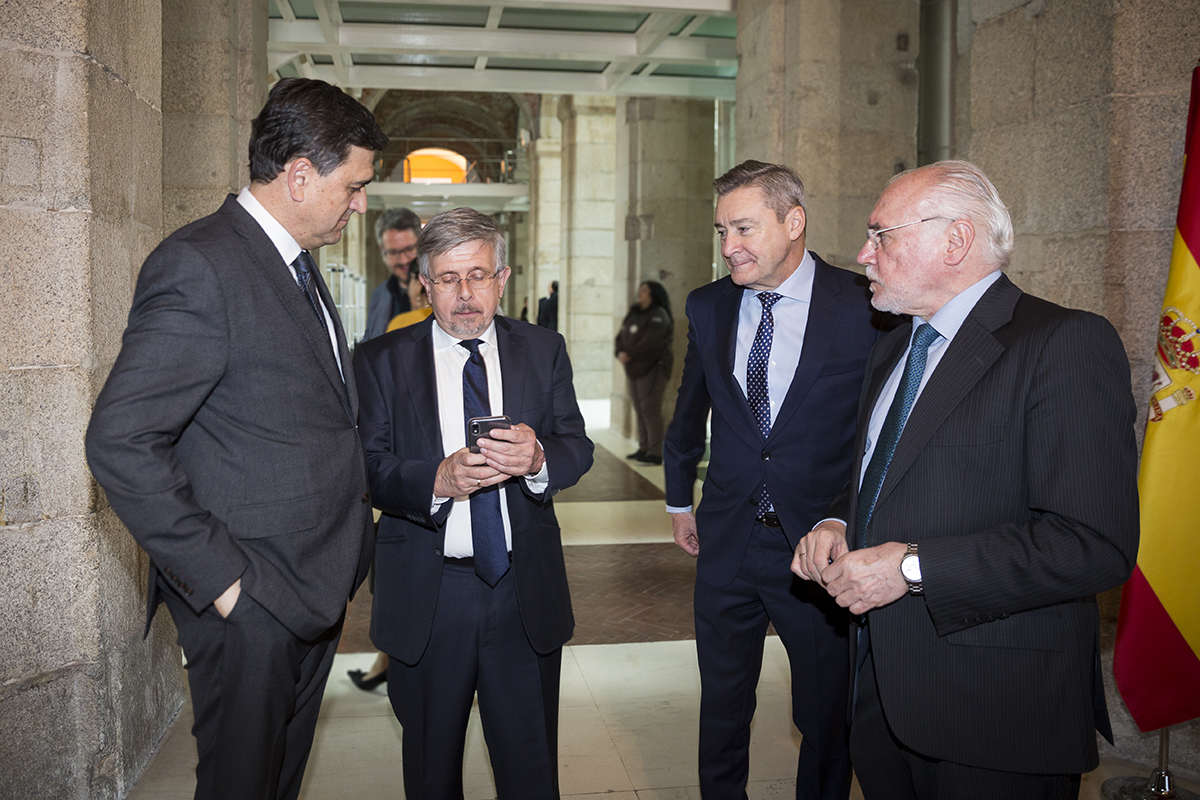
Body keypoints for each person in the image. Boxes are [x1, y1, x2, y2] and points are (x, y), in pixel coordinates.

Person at [792, 161, 1139, 800]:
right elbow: (881, 477)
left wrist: (913, 568)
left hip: (993, 711)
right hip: (880, 693)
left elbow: (1093, 544)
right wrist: (836, 521)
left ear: (954, 241)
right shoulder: (895, 345)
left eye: (881, 235)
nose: (864, 255)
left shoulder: (1063, 343)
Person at [85, 78, 387, 800]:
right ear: (301, 174)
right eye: (355, 186)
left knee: (277, 783)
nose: (361, 204)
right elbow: (120, 439)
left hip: (312, 586)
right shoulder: (202, 264)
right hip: (254, 598)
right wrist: (227, 587)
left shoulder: (291, 264)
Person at [663, 160, 889, 800]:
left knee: (823, 715)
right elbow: (689, 408)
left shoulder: (864, 305)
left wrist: (848, 517)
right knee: (722, 706)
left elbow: (879, 435)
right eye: (721, 231)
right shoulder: (708, 305)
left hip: (816, 547)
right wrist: (681, 499)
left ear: (794, 222)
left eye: (743, 228)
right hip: (727, 538)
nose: (729, 245)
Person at [354, 207, 594, 800]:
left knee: (531, 771)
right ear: (425, 283)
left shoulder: (543, 349)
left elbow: (577, 445)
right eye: (449, 279)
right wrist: (435, 479)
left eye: (479, 276)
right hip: (429, 596)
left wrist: (539, 460)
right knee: (432, 772)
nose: (465, 295)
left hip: (523, 592)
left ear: (503, 278)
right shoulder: (380, 362)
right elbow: (365, 469)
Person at [615, 280, 674, 464]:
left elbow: (651, 342)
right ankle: (644, 447)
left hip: (653, 367)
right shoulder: (634, 313)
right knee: (639, 409)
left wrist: (629, 353)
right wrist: (620, 352)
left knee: (650, 409)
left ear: (653, 295)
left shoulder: (659, 315)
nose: (640, 294)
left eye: (644, 291)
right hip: (634, 368)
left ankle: (656, 452)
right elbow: (620, 336)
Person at [364, 206, 422, 340]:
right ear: (382, 250)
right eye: (393, 252)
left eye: (409, 249)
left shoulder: (440, 291)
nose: (403, 260)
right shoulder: (379, 294)